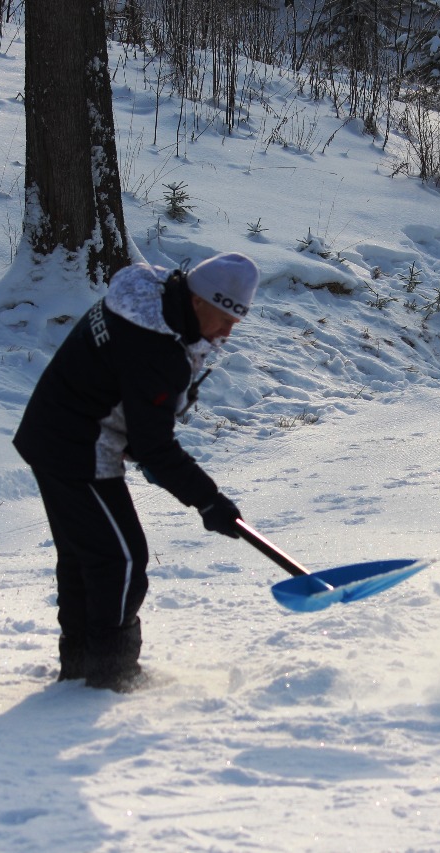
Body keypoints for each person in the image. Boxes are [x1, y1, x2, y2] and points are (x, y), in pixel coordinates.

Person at [13, 252, 259, 692]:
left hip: (57, 434)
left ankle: (80, 666)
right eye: (223, 318)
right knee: (120, 560)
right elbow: (154, 447)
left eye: (235, 322)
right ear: (199, 300)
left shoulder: (156, 299)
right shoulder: (154, 348)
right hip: (76, 446)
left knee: (85, 556)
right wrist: (209, 501)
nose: (227, 332)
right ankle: (111, 674)